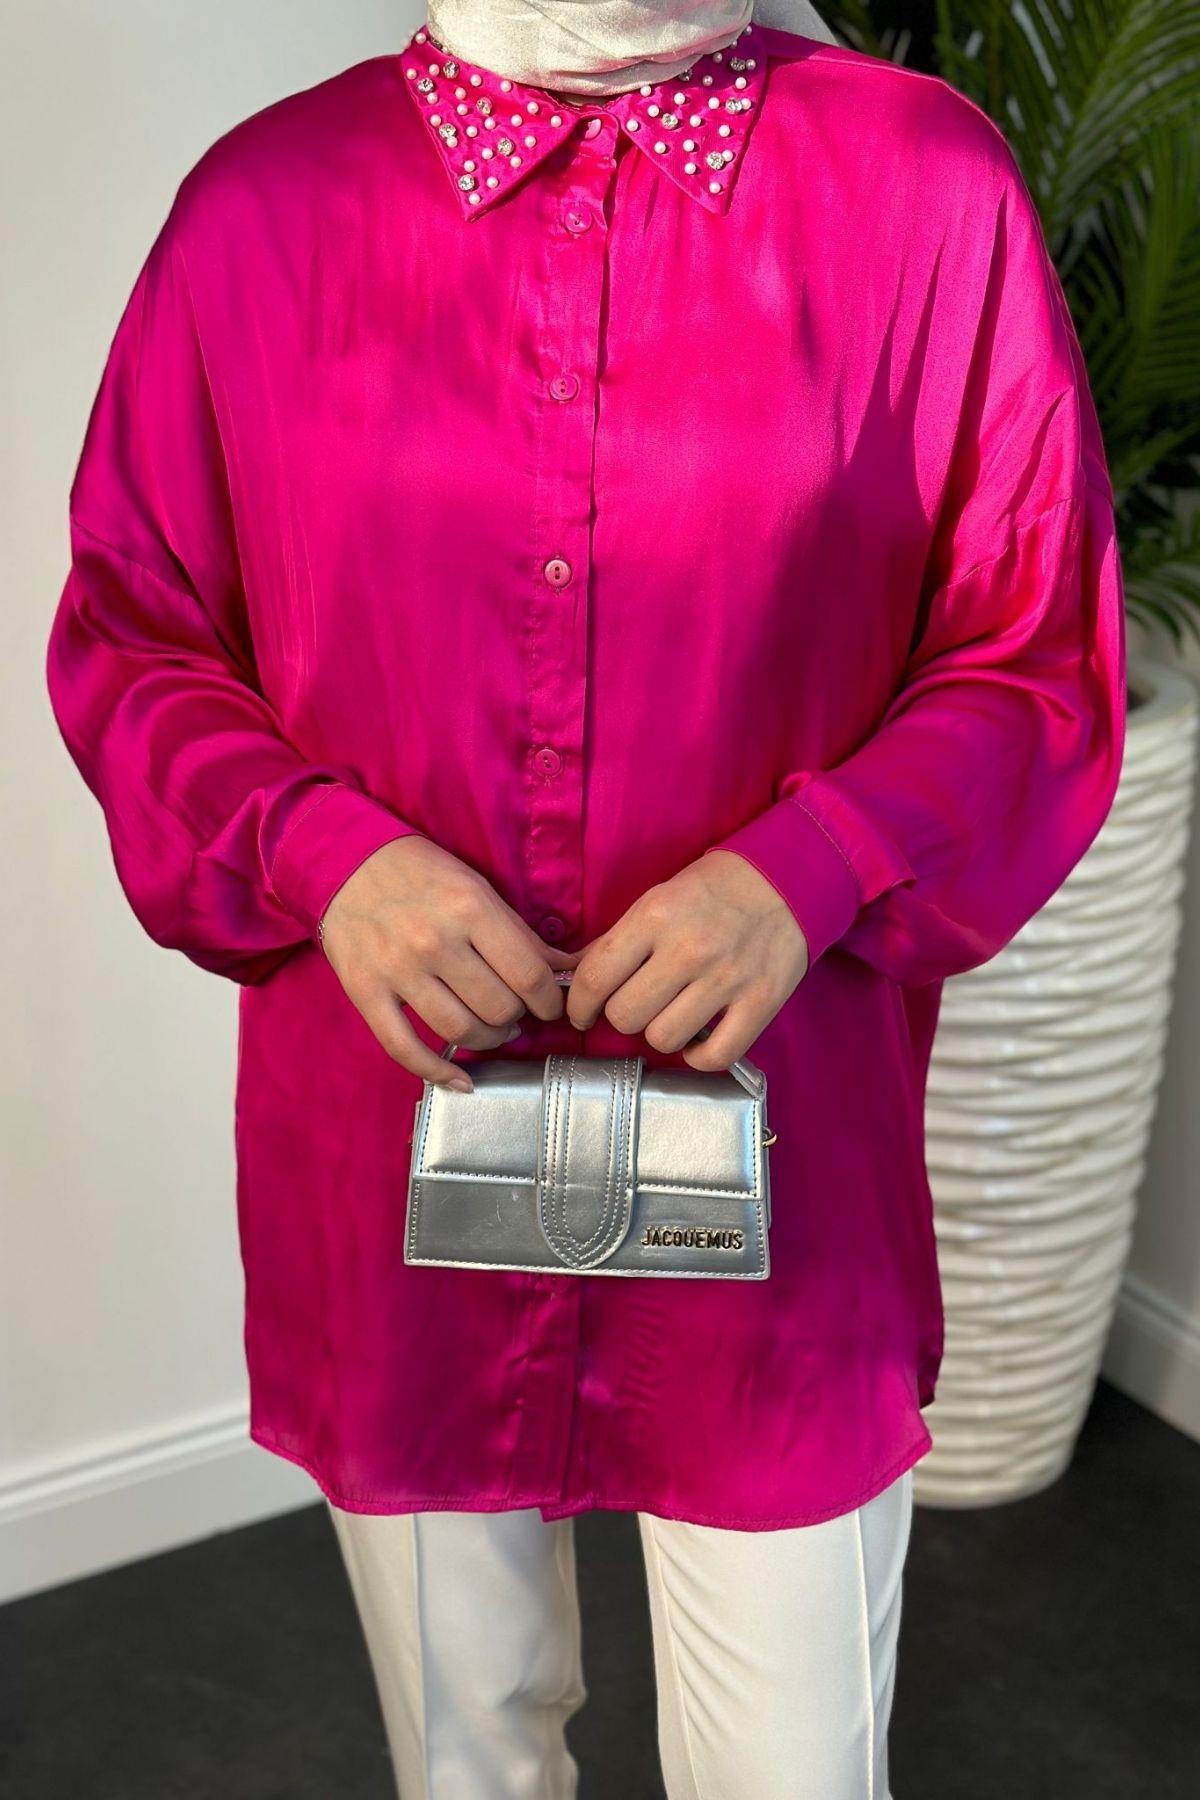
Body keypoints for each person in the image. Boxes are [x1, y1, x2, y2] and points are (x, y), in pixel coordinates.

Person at [45, 0, 1126, 1793]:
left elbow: (1032, 653)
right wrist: (326, 857)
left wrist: (810, 870)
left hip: (785, 1146)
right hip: (392, 1136)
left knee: (792, 1765)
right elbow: (135, 632)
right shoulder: (265, 209)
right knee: (464, 1751)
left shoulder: (924, 188)